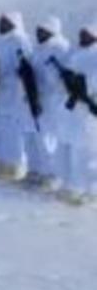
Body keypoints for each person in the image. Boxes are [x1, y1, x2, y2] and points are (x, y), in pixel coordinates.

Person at [22, 17, 69, 189]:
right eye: (38, 30)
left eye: (43, 31)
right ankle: (38, 170)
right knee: (35, 137)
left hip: (52, 101)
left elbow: (62, 78)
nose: (39, 34)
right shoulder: (38, 50)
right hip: (35, 99)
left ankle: (53, 175)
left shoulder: (60, 49)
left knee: (49, 138)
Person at [55, 22, 97, 205]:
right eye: (82, 34)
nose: (83, 38)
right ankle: (74, 187)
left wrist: (85, 89)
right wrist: (67, 83)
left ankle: (93, 190)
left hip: (89, 111)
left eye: (87, 35)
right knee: (75, 152)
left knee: (90, 153)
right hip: (74, 113)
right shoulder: (74, 53)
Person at [0, 11, 31, 180]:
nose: (2, 25)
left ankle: (15, 166)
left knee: (13, 132)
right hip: (0, 93)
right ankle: (2, 163)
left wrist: (9, 78)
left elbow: (25, 69)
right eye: (1, 22)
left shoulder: (20, 40)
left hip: (15, 94)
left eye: (6, 22)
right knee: (0, 129)